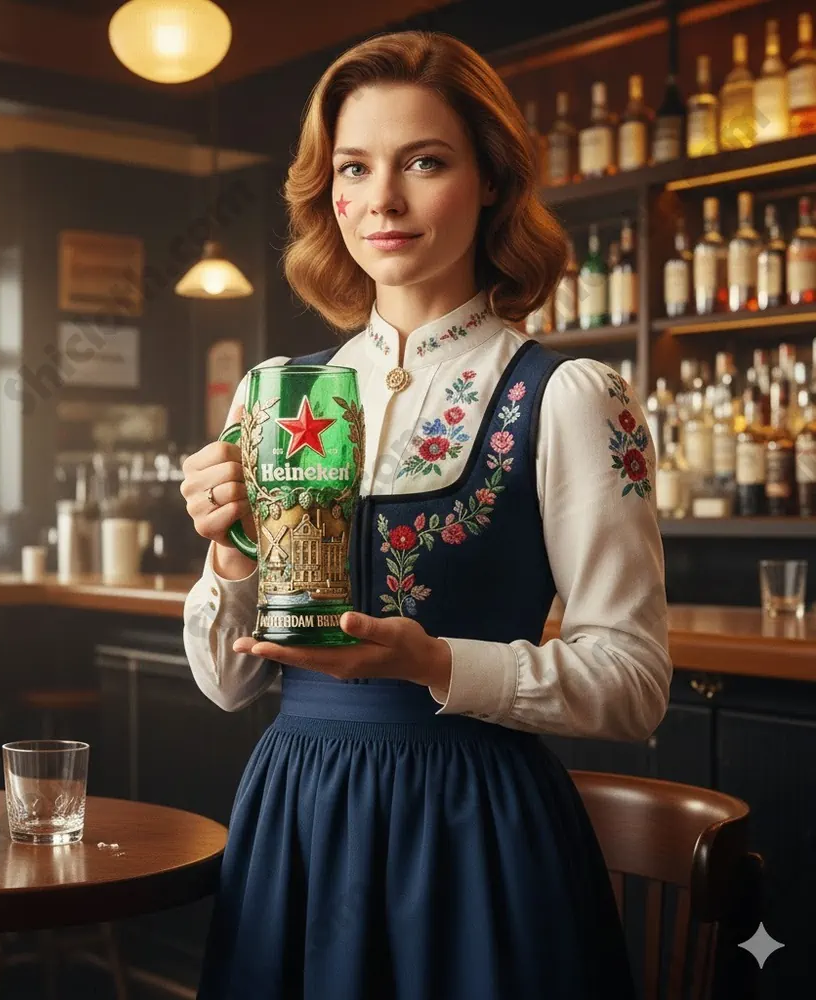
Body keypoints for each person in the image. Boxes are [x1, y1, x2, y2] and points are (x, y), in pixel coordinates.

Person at [180, 30, 670, 1000]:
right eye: (353, 168)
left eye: (424, 162)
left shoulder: (569, 394)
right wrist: (229, 559)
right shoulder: (276, 392)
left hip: (477, 831)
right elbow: (225, 687)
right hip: (296, 816)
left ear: (489, 180)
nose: (382, 201)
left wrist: (433, 661)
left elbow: (634, 683)